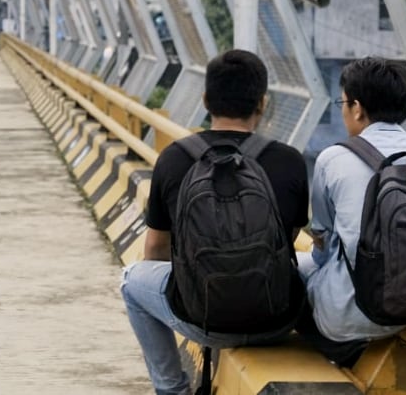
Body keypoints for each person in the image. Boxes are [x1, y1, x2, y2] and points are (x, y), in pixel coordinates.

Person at [120, 50, 309, 395]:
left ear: (205, 100)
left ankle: (171, 389)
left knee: (131, 282)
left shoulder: (175, 158)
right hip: (277, 317)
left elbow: (156, 248)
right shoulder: (289, 161)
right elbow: (289, 238)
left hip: (200, 318)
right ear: (263, 103)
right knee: (315, 264)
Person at [301, 56, 406, 365]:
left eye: (343, 102)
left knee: (302, 271)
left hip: (358, 315)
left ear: (357, 108)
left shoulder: (333, 158)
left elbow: (324, 238)